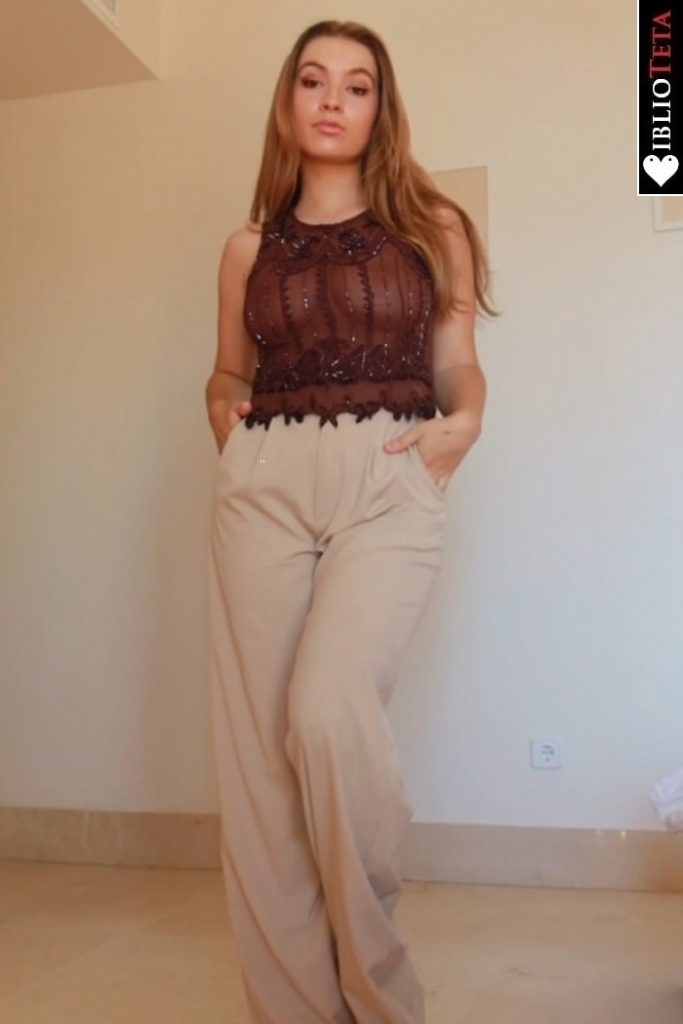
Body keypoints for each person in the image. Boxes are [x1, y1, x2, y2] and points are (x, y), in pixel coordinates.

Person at [205, 19, 498, 1024]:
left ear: (381, 106)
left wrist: (464, 421)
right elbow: (228, 371)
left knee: (328, 712)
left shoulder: (433, 227)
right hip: (266, 480)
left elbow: (456, 361)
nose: (333, 99)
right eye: (313, 80)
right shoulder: (246, 248)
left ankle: (379, 998)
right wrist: (224, 420)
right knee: (259, 764)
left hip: (388, 468)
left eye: (357, 85)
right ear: (287, 102)